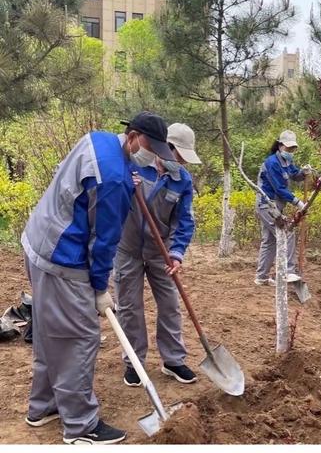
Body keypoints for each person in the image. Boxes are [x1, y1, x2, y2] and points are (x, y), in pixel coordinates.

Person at [21, 111, 175, 445]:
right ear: (132, 136)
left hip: (38, 240)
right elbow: (103, 243)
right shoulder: (115, 181)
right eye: (151, 147)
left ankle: (42, 407)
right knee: (80, 338)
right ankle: (80, 425)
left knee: (51, 332)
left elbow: (86, 179)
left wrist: (130, 170)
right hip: (63, 258)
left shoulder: (99, 140)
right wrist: (100, 288)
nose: (154, 156)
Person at [114, 123, 201, 387]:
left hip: (160, 251)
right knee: (130, 307)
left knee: (170, 304)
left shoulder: (182, 181)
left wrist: (176, 254)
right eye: (180, 155)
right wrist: (128, 187)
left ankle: (173, 360)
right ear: (167, 148)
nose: (183, 162)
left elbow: (184, 222)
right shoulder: (132, 165)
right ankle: (134, 363)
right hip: (126, 248)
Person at [254, 130, 311, 286]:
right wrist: (297, 202)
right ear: (280, 146)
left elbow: (294, 175)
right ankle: (289, 271)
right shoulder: (272, 163)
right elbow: (279, 188)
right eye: (288, 149)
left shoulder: (287, 162)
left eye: (292, 149)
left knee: (270, 240)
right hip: (267, 205)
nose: (290, 152)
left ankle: (262, 277)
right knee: (287, 232)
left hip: (276, 205)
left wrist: (303, 173)